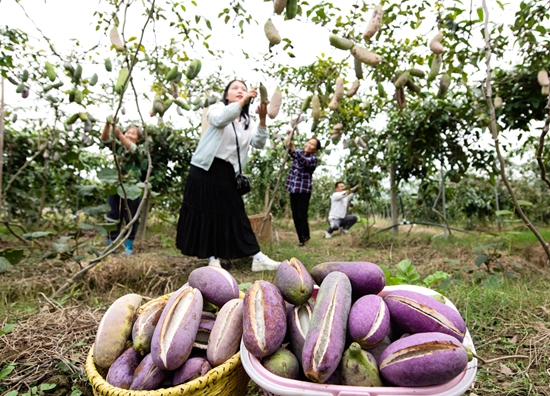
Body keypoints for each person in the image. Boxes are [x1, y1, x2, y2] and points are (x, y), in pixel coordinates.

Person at [176, 80, 280, 271]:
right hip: (205, 168)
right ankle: (212, 259)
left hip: (227, 172)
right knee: (205, 213)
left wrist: (263, 120)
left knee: (236, 214)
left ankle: (257, 258)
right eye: (235, 88)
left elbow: (258, 142)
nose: (240, 91)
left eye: (243, 88)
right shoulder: (217, 109)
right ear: (227, 95)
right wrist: (243, 102)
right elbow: (219, 120)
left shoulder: (247, 122)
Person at [100, 120, 145, 254]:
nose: (130, 135)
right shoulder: (118, 148)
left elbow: (133, 150)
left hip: (132, 187)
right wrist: (108, 125)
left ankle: (128, 247)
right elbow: (105, 139)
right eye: (128, 132)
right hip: (116, 184)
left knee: (130, 216)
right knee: (112, 214)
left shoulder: (140, 151)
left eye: (133, 134)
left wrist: (119, 134)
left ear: (138, 139)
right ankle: (111, 244)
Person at [284, 132, 321, 246]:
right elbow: (287, 147)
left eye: (312, 145)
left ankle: (306, 239)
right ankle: (301, 240)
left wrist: (293, 149)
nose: (309, 145)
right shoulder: (299, 152)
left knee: (302, 215)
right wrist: (289, 136)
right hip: (293, 189)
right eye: (309, 142)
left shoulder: (313, 159)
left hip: (303, 191)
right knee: (295, 215)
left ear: (315, 150)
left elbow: (303, 161)